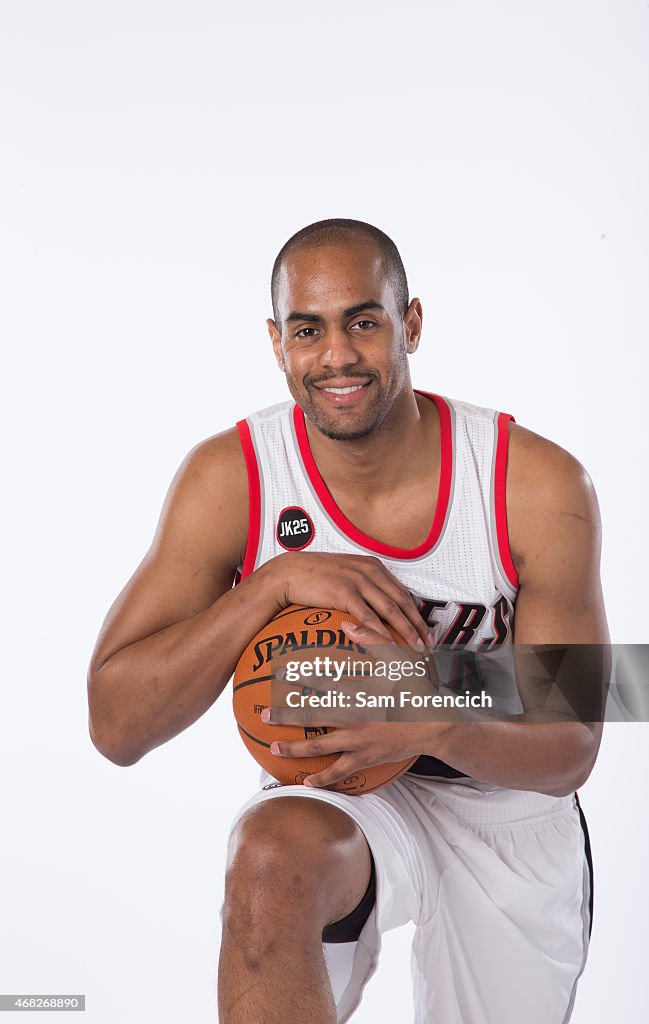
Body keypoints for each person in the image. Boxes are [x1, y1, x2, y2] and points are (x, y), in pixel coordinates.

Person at [87, 218, 609, 1023]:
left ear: (410, 324)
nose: (336, 356)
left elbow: (572, 740)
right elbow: (116, 725)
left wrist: (428, 718)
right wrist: (271, 585)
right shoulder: (233, 477)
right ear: (276, 341)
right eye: (308, 329)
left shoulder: (531, 483)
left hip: (505, 799)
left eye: (363, 321)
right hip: (339, 791)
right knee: (267, 864)